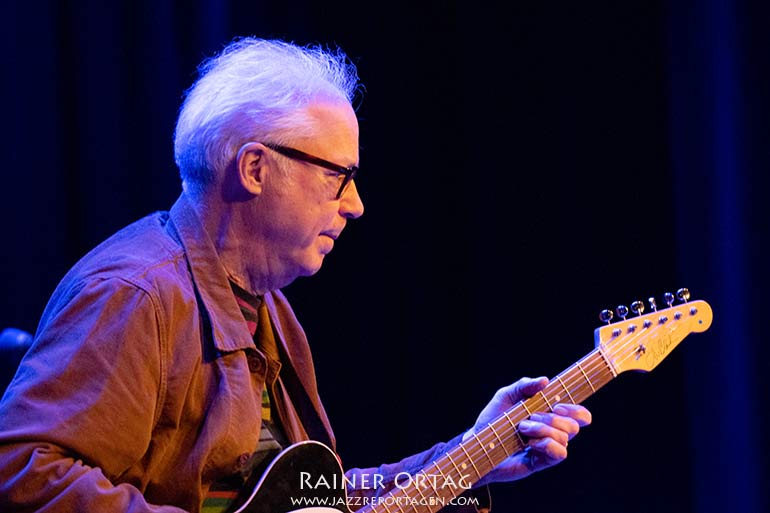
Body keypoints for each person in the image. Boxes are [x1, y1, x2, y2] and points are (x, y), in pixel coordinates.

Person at [0, 37, 591, 513]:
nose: (356, 204)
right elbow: (22, 469)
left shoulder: (267, 305)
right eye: (338, 175)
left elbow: (314, 500)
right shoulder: (136, 292)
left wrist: (470, 455)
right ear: (255, 167)